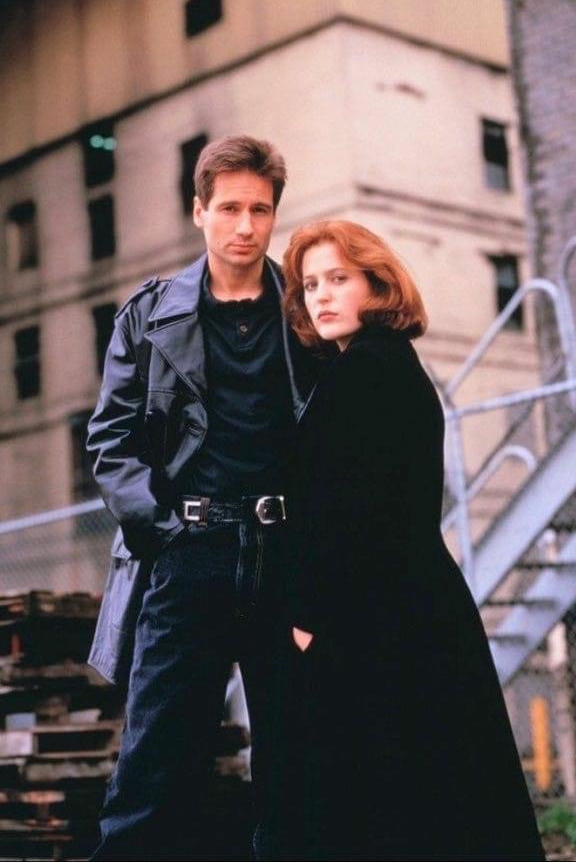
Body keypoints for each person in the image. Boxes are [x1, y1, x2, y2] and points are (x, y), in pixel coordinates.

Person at [255, 219, 545, 862]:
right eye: (309, 285)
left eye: (338, 278)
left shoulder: (366, 372)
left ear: (377, 284)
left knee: (382, 807)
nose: (321, 296)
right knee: (432, 804)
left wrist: (306, 618)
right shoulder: (380, 365)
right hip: (403, 609)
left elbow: (354, 509)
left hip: (373, 620)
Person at [85, 135, 318, 861]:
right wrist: (162, 531)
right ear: (199, 211)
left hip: (287, 559)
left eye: (260, 210)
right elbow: (111, 441)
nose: (245, 226)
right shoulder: (149, 315)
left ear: (274, 215)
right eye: (229, 208)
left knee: (298, 763)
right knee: (155, 762)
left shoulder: (306, 313)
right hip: (188, 554)